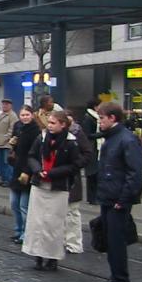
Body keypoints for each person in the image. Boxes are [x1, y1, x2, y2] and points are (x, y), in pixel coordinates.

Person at [22, 110, 82, 271]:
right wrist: (38, 170)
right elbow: (31, 156)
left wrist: (52, 173)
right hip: (39, 186)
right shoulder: (41, 138)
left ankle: (52, 257)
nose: (49, 126)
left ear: (63, 125)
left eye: (53, 123)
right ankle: (38, 256)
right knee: (37, 222)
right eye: (49, 122)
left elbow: (74, 165)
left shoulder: (71, 142)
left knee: (54, 225)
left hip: (58, 188)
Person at [96, 102, 142, 282]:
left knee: (116, 240)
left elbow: (135, 173)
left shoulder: (126, 140)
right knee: (110, 238)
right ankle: (115, 276)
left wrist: (124, 199)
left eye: (101, 118)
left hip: (117, 199)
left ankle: (121, 280)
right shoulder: (112, 137)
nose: (99, 122)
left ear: (112, 118)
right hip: (109, 196)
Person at [8, 105, 40, 245]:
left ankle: (26, 233)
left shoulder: (35, 131)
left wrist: (27, 171)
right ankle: (18, 230)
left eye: (27, 114)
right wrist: (13, 145)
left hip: (28, 172)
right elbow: (18, 150)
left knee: (23, 205)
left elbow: (34, 154)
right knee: (14, 203)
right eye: (22, 115)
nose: (25, 117)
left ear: (32, 115)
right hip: (17, 169)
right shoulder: (19, 127)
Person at [64, 110, 94, 254]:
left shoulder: (77, 133)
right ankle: (63, 240)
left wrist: (76, 165)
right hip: (60, 179)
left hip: (73, 179)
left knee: (72, 212)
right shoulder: (56, 133)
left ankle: (74, 243)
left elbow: (88, 153)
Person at [0, 99, 18, 187]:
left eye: (6, 104)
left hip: (6, 144)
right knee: (0, 163)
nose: (4, 106)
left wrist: (5, 138)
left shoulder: (12, 116)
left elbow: (12, 130)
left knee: (7, 163)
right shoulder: (1, 115)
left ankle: (9, 180)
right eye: (3, 104)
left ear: (10, 105)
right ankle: (3, 179)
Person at [81, 98, 102, 205]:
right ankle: (92, 197)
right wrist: (102, 134)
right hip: (92, 148)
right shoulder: (88, 118)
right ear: (95, 106)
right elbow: (87, 134)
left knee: (96, 173)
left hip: (96, 147)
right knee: (92, 173)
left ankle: (95, 196)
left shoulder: (96, 117)